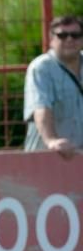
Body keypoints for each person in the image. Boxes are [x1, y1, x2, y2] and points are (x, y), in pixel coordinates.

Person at [24, 15, 83, 160]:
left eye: (75, 35)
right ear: (51, 40)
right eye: (62, 35)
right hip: (48, 157)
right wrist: (52, 140)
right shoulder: (41, 68)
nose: (69, 40)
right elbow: (41, 108)